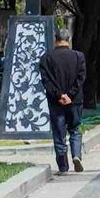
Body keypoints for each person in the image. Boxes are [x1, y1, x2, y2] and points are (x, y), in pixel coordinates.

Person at [39, 28, 86, 174]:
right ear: (69, 39)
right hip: (75, 101)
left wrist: (60, 95)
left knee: (59, 133)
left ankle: (63, 166)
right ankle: (76, 155)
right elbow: (81, 78)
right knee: (75, 129)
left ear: (55, 40)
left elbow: (46, 82)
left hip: (55, 102)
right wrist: (70, 95)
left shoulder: (46, 58)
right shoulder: (79, 56)